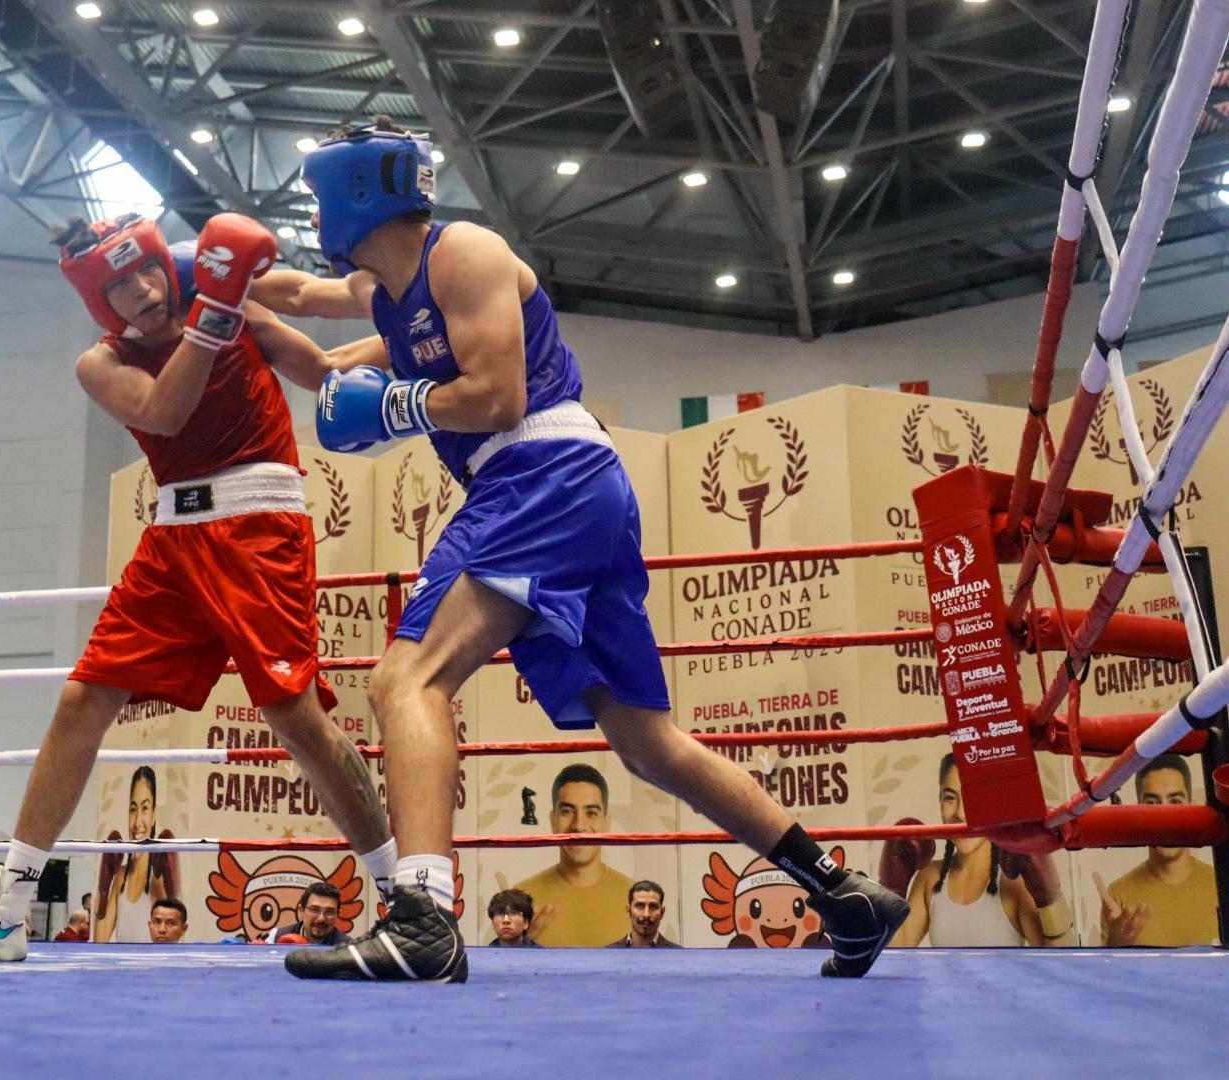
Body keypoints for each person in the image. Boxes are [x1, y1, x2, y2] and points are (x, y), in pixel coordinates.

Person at [271, 117, 906, 983]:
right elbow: (307, 322)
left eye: (315, 196)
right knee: (647, 743)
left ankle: (421, 918)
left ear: (355, 190)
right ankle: (843, 895)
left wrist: (390, 409)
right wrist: (211, 297)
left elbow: (496, 398)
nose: (311, 215)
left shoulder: (466, 255)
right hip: (570, 489)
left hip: (540, 469)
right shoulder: (387, 295)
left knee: (406, 679)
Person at [0, 209, 396, 962]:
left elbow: (324, 369)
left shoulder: (226, 300)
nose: (143, 289)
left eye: (146, 269)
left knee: (295, 717)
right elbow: (164, 415)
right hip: (174, 538)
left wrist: (423, 338)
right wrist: (215, 315)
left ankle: (402, 898)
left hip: (258, 522)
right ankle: (8, 912)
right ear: (94, 299)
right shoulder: (102, 363)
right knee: (83, 699)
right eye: (119, 285)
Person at [886, 753, 1072, 948]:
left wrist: (1050, 897)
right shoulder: (930, 879)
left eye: (973, 799)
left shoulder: (1012, 883)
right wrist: (891, 889)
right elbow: (896, 956)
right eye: (950, 798)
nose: (960, 813)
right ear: (939, 800)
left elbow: (1059, 966)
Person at [1098, 754, 1220, 947]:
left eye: (1175, 802)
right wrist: (1115, 949)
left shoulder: (1222, 887)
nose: (1165, 818)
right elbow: (1106, 976)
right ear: (1138, 813)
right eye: (1152, 804)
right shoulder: (1118, 896)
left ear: (1192, 807)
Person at [511, 765, 635, 946]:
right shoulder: (522, 898)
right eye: (567, 812)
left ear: (606, 823)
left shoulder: (637, 900)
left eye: (591, 813)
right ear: (553, 821)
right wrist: (516, 947)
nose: (578, 825)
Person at [94, 765, 177, 944]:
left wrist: (174, 891)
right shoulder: (121, 877)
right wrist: (103, 888)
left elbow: (174, 939)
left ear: (154, 814)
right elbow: (100, 941)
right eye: (133, 809)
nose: (138, 821)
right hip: (123, 969)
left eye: (145, 808)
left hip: (152, 968)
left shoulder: (157, 880)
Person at [262, 882, 349, 946]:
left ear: (337, 914)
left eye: (329, 912)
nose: (321, 918)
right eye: (315, 910)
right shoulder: (275, 938)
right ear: (301, 911)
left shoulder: (348, 948)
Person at [607, 880, 680, 949]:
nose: (646, 914)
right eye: (640, 906)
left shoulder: (680, 956)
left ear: (662, 912)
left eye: (653, 907)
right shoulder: (606, 955)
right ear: (629, 910)